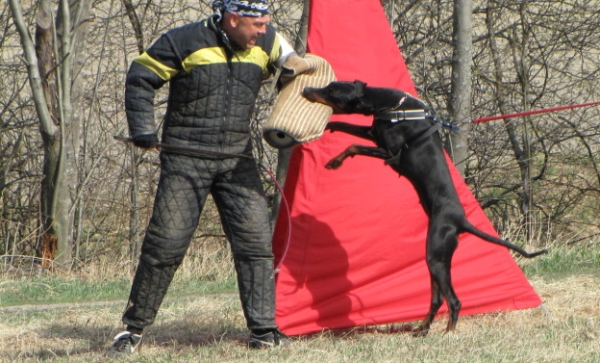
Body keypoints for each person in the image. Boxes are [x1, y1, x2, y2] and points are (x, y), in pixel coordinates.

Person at [108, 0, 296, 356]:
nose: (264, 31)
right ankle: (132, 331)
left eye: (267, 24)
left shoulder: (267, 42)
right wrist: (143, 129)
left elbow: (296, 67)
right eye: (257, 24)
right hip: (185, 161)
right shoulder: (184, 41)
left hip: (237, 160)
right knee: (166, 245)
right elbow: (140, 76)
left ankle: (264, 331)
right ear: (233, 18)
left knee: (256, 246)